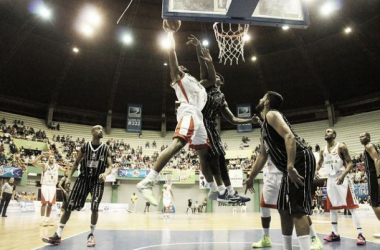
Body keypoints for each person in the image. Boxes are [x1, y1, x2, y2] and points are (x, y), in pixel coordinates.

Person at [136, 22, 216, 206]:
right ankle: (147, 182)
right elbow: (171, 54)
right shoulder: (178, 77)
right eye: (178, 66)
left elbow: (211, 78)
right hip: (188, 112)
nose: (180, 66)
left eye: (182, 66)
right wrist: (170, 34)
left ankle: (212, 188)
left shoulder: (197, 83)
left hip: (199, 119)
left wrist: (207, 59)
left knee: (204, 154)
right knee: (177, 145)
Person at [245, 91, 316, 250]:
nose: (259, 98)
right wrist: (251, 177)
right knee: (284, 209)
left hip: (300, 159)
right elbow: (262, 156)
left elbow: (289, 137)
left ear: (267, 102)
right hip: (288, 166)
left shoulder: (272, 114)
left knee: (296, 210)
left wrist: (290, 166)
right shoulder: (264, 127)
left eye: (262, 97)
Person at [187, 34, 253, 203]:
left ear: (220, 81)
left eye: (216, 77)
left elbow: (232, 119)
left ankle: (230, 191)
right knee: (213, 159)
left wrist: (249, 120)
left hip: (211, 128)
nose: (213, 77)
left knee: (221, 160)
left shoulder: (221, 97)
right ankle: (221, 191)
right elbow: (203, 64)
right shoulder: (204, 86)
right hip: (201, 124)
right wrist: (197, 47)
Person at [42, 125, 112, 247]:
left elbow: (110, 166)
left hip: (97, 181)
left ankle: (91, 235)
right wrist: (69, 177)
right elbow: (76, 163)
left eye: (102, 129)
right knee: (69, 206)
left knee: (94, 207)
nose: (101, 130)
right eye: (98, 129)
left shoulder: (106, 148)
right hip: (83, 179)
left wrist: (105, 173)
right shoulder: (85, 147)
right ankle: (58, 235)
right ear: (92, 132)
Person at [252, 158, 322, 250]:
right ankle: (266, 237)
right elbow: (263, 154)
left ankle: (314, 238)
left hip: (284, 173)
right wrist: (252, 175)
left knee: (296, 209)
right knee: (264, 205)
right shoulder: (265, 143)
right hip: (270, 173)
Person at [316, 129, 365, 245]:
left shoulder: (341, 147)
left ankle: (360, 234)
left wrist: (343, 175)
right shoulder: (323, 150)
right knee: (332, 207)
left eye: (328, 132)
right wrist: (315, 171)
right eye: (325, 131)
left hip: (343, 177)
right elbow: (319, 163)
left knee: (352, 207)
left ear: (334, 135)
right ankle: (335, 233)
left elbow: (350, 163)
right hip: (331, 179)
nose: (325, 133)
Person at [32, 152, 63, 227]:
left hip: (53, 186)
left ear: (55, 159)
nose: (52, 159)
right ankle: (42, 220)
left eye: (53, 158)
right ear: (48, 159)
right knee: (44, 203)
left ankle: (47, 220)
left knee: (50, 204)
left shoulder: (57, 166)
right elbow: (33, 163)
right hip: (45, 185)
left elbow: (66, 171)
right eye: (50, 157)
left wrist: (68, 166)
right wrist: (41, 156)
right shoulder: (44, 165)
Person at [360, 132, 380, 238]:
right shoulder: (370, 147)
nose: (361, 138)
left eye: (363, 136)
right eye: (360, 137)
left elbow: (377, 160)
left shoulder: (369, 146)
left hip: (373, 176)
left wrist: (378, 176)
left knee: (374, 204)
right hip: (372, 175)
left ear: (368, 137)